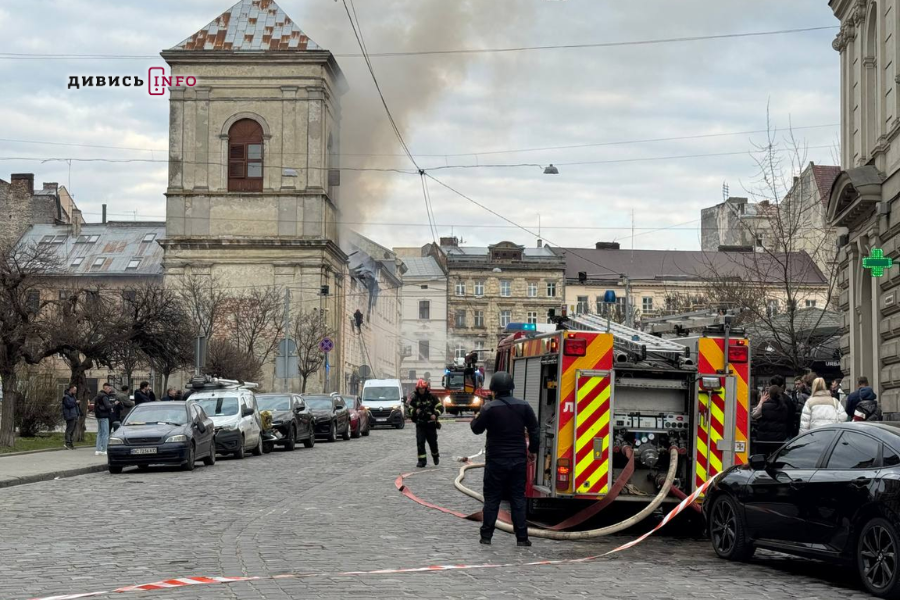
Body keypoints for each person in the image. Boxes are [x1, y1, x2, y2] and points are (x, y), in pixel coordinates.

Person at [470, 371, 539, 548]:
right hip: (517, 460)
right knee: (518, 498)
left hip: (496, 461)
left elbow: (477, 429)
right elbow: (534, 429)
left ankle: (486, 536)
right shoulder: (524, 406)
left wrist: (475, 418)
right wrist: (532, 449)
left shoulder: (489, 408)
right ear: (511, 388)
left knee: (492, 499)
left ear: (493, 389)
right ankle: (522, 538)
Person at [408, 379, 443, 467]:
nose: (421, 390)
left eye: (423, 388)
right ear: (417, 389)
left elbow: (440, 407)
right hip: (420, 424)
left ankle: (435, 456)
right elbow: (409, 409)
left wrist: (435, 414)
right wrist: (415, 411)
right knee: (420, 442)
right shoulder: (415, 399)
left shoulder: (432, 397)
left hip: (430, 424)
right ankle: (422, 461)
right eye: (420, 389)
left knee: (433, 443)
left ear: (426, 388)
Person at [752, 375, 794, 448]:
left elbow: (754, 415)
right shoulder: (787, 402)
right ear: (782, 386)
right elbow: (791, 418)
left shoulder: (765, 403)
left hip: (764, 437)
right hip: (780, 437)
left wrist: (761, 402)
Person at [90, 383, 115, 456]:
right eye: (109, 388)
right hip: (104, 415)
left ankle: (98, 449)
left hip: (99, 415)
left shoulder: (98, 395)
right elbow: (108, 406)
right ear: (105, 388)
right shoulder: (104, 396)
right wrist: (114, 404)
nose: (110, 390)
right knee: (105, 433)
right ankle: (104, 449)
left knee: (100, 433)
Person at [61, 384, 81, 450]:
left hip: (74, 415)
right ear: (71, 389)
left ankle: (71, 443)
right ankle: (67, 443)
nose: (75, 391)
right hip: (70, 415)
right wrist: (76, 403)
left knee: (72, 430)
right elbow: (68, 405)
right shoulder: (66, 397)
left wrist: (78, 413)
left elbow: (74, 405)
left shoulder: (73, 397)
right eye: (74, 390)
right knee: (69, 430)